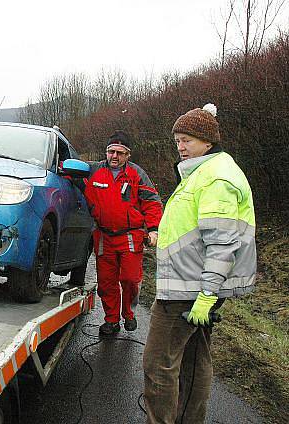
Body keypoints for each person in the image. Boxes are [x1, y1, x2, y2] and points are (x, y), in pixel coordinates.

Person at [142, 104, 256, 423]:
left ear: (207, 142)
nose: (180, 146)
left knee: (158, 363)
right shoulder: (205, 171)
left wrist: (207, 294)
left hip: (189, 288)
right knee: (192, 361)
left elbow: (222, 242)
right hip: (190, 285)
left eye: (188, 140)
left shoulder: (216, 177)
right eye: (177, 139)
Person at [83, 130, 163, 335]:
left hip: (130, 235)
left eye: (120, 152)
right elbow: (71, 173)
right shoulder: (94, 171)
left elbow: (152, 202)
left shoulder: (137, 174)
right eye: (111, 152)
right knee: (106, 281)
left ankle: (128, 313)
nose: (114, 156)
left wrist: (153, 229)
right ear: (106, 152)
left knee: (129, 278)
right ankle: (111, 320)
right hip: (103, 236)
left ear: (128, 155)